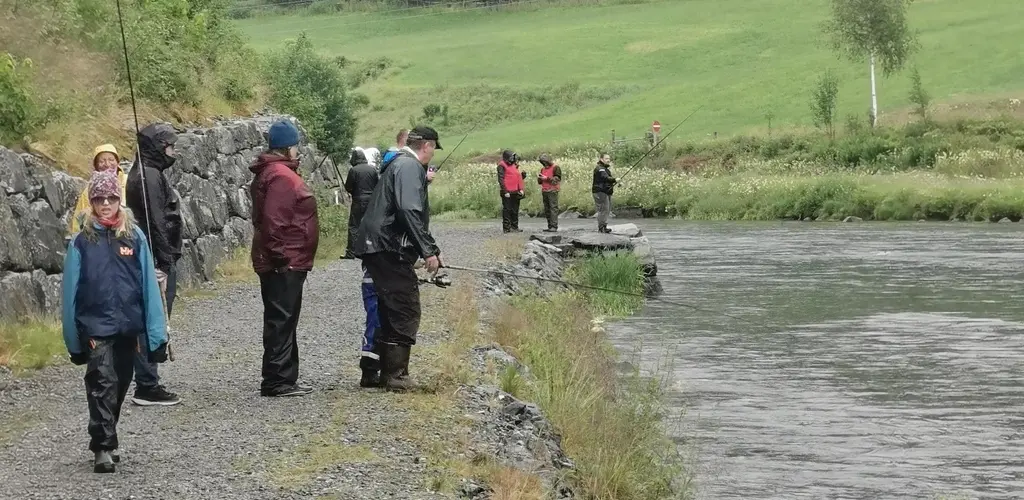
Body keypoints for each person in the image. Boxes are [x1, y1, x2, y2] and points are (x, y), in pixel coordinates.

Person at [62, 170, 169, 473]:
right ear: (92, 202)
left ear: (119, 200)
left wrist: (156, 334)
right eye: (99, 199)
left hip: (128, 326)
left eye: (111, 198)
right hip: (94, 325)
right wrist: (72, 339)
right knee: (101, 381)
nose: (106, 203)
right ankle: (103, 446)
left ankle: (109, 432)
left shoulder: (134, 237)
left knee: (120, 382)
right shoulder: (82, 242)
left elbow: (149, 285)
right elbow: (69, 292)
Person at [354, 126, 443, 392]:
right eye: (433, 149)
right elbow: (408, 209)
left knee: (387, 306)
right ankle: (396, 375)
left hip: (378, 244)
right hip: (386, 246)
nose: (432, 156)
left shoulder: (397, 163)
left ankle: (381, 372)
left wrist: (431, 248)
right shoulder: (409, 166)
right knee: (405, 306)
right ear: (426, 146)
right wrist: (428, 250)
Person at [249, 119, 320, 397]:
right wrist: (281, 259)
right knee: (282, 318)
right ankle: (277, 380)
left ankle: (285, 377)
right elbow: (274, 221)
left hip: (286, 259)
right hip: (284, 261)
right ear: (289, 147)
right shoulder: (280, 176)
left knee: (285, 318)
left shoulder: (273, 172)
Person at [124, 123, 182, 407]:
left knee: (150, 319)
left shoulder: (146, 172)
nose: (175, 151)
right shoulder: (148, 176)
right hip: (153, 259)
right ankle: (147, 384)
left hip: (150, 257)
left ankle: (146, 379)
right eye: (170, 146)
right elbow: (156, 222)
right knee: (152, 320)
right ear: (159, 147)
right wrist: (163, 260)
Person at [68, 144, 127, 234]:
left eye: (111, 160)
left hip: (125, 234)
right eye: (102, 161)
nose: (107, 164)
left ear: (117, 162)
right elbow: (78, 220)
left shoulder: (128, 181)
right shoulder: (89, 190)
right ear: (96, 165)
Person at [342, 148, 379, 260]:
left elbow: (348, 186)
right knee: (371, 225)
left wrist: (353, 192)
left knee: (354, 226)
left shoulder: (354, 170)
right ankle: (371, 249)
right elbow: (377, 185)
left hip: (358, 200)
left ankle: (351, 252)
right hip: (371, 200)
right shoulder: (372, 170)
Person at [497, 150, 526, 233]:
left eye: (513, 157)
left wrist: (522, 177)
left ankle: (514, 227)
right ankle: (506, 228)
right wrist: (505, 191)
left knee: (515, 210)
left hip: (515, 191)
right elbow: (501, 179)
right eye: (511, 157)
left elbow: (515, 178)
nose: (512, 159)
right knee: (507, 210)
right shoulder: (501, 166)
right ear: (507, 158)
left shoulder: (514, 165)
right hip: (507, 192)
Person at [536, 153, 562, 232]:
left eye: (544, 162)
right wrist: (540, 178)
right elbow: (540, 182)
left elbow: (556, 180)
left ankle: (554, 226)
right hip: (545, 191)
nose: (543, 164)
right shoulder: (542, 169)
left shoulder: (556, 168)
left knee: (553, 209)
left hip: (553, 191)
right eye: (542, 162)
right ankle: (550, 226)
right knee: (547, 209)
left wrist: (546, 178)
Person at [592, 152, 617, 233]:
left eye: (609, 159)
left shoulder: (605, 169)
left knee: (607, 209)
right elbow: (604, 177)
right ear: (601, 159)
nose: (608, 160)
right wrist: (614, 179)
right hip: (600, 191)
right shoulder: (600, 168)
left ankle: (604, 226)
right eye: (606, 158)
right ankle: (601, 227)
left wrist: (615, 182)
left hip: (605, 191)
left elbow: (606, 180)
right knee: (603, 209)